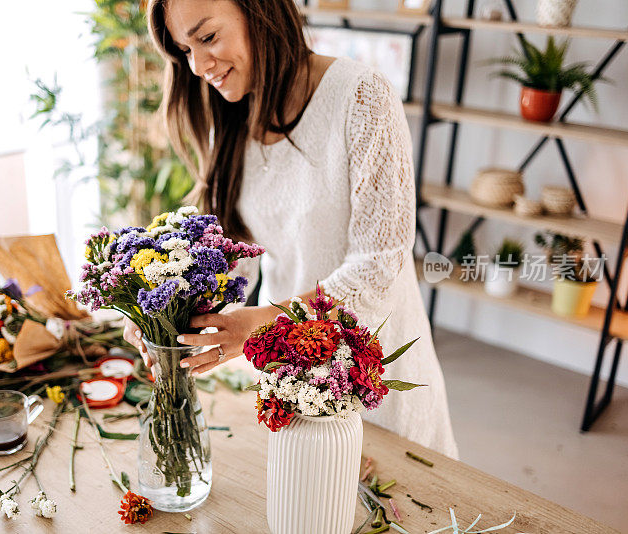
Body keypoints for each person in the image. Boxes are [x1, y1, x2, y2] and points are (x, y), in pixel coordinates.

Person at [124, 0, 458, 458]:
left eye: (207, 38)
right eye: (184, 49)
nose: (199, 66)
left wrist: (258, 326)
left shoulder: (361, 97)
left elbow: (377, 268)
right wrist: (167, 315)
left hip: (377, 378)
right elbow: (230, 261)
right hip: (290, 380)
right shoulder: (234, 116)